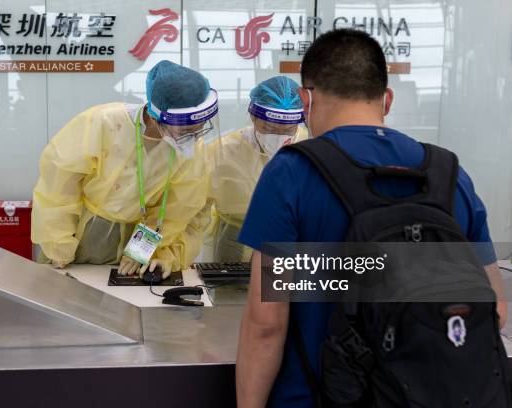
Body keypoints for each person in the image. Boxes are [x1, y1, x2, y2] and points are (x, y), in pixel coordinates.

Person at [235, 29, 507, 407]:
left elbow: (267, 325)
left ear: (305, 100)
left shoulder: (292, 174)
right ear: (388, 99)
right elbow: (493, 306)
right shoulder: (449, 176)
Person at [31, 60, 220, 279]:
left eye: (200, 128)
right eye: (187, 129)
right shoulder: (103, 124)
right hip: (81, 231)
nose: (195, 137)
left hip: (136, 238)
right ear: (156, 115)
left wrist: (140, 250)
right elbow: (58, 188)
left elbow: (174, 210)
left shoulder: (189, 148)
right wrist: (59, 244)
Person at [206, 76, 306, 262]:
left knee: (282, 289)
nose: (277, 136)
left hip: (290, 241)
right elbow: (194, 206)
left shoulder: (310, 148)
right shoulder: (223, 150)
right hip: (234, 238)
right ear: (252, 115)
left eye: (286, 130)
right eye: (269, 127)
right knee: (229, 289)